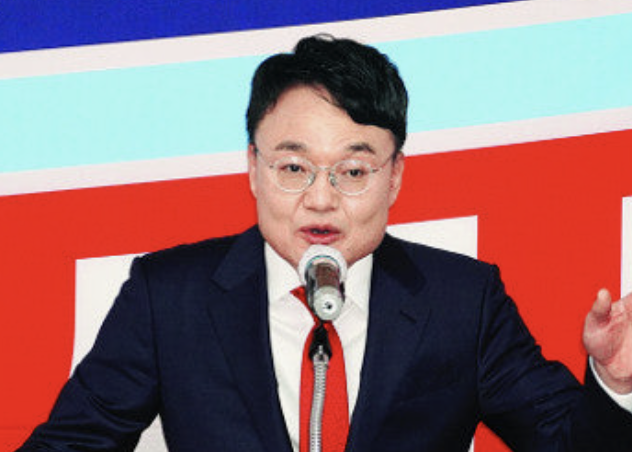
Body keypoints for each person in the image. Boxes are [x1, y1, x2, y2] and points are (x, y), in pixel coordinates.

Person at [17, 34, 632, 452]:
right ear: (253, 168)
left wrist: (615, 384)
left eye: (353, 170)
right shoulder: (169, 296)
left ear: (395, 177)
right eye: (294, 168)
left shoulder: (462, 301)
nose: (320, 198)